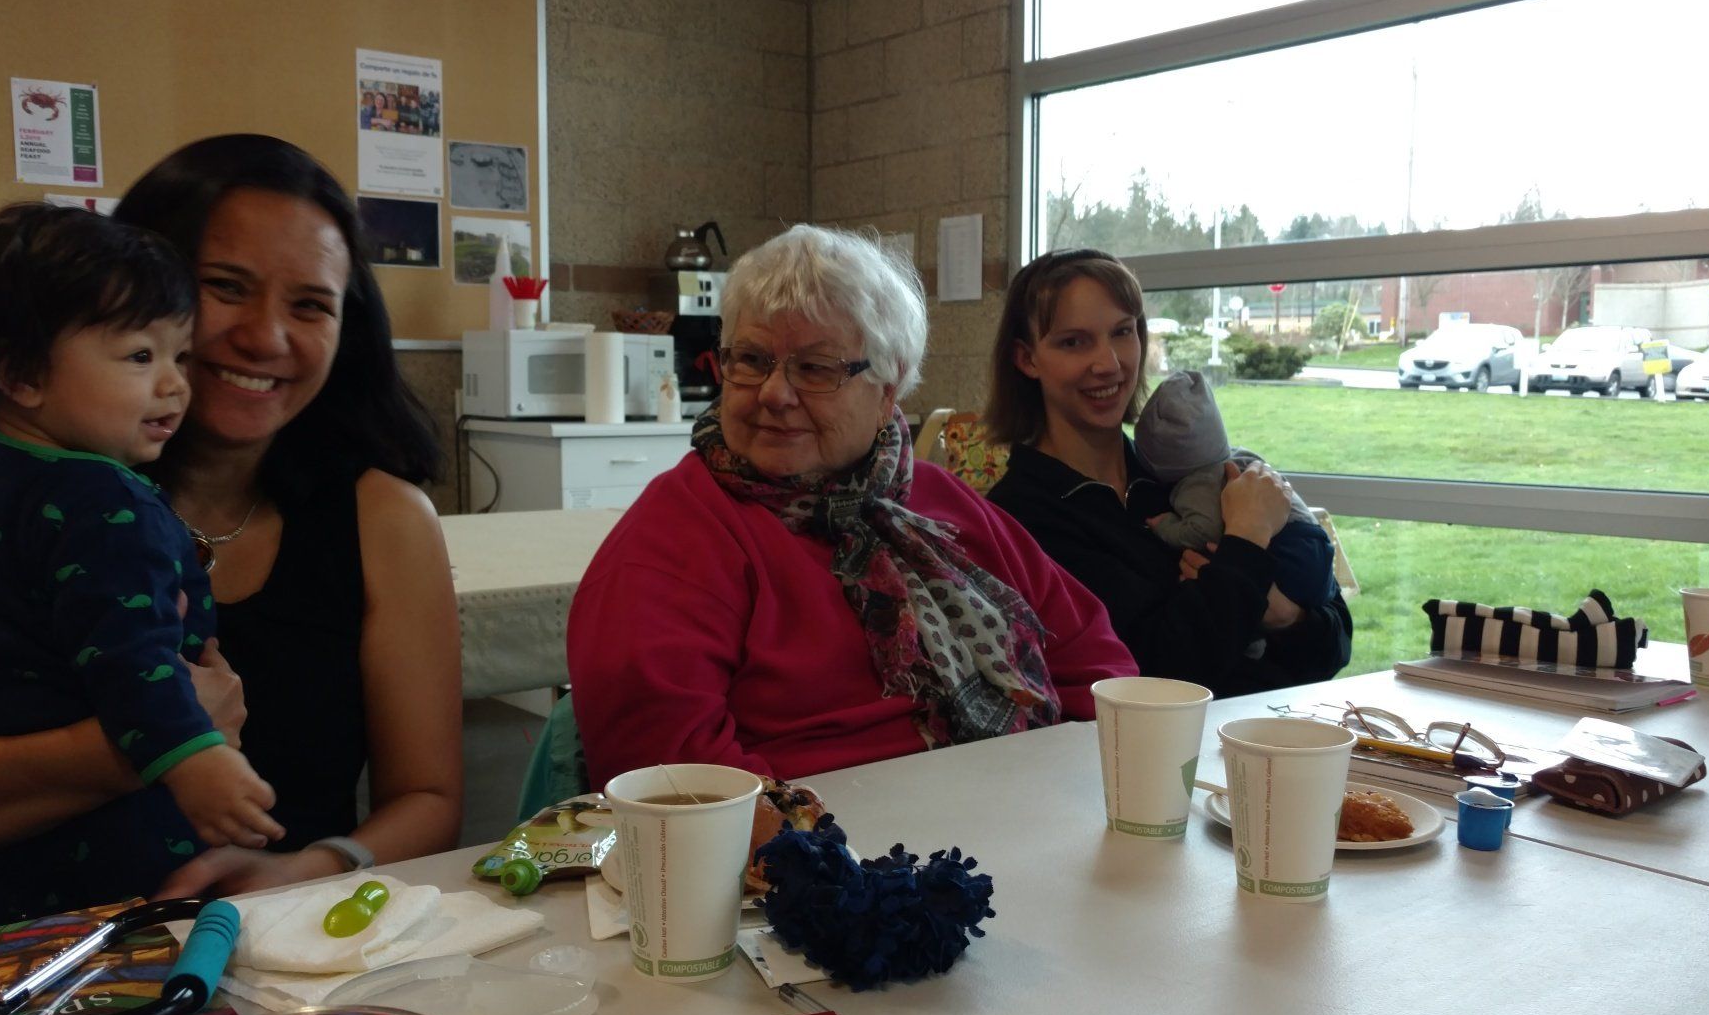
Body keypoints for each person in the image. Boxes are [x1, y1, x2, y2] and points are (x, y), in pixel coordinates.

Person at [0, 135, 463, 922]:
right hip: (17, 957)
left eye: (311, 304)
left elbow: (427, 797)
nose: (267, 336)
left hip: (285, 953)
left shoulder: (382, 517)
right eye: (225, 287)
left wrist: (313, 870)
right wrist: (154, 743)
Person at [566, 225, 1133, 787]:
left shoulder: (939, 501)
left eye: (815, 368)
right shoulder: (676, 539)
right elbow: (678, 788)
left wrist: (1065, 795)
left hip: (1018, 817)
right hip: (824, 857)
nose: (774, 393)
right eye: (752, 360)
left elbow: (1096, 663)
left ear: (889, 390)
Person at [0, 204, 281, 929]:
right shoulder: (107, 500)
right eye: (139, 358)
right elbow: (135, 656)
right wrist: (196, 757)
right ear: (21, 375)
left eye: (178, 356)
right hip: (110, 857)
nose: (176, 385)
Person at [984, 248, 1351, 698]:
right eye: (1073, 342)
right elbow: (1158, 679)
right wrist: (1248, 543)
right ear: (1027, 358)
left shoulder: (1176, 470)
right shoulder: (1017, 521)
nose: (1109, 363)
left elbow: (1334, 644)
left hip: (1261, 746)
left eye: (1122, 332)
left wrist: (1280, 612)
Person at [1133, 369, 1336, 609]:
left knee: (1249, 602)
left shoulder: (1197, 484)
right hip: (1314, 543)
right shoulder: (1237, 455)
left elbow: (1204, 530)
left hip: (1289, 549)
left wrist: (1166, 525)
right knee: (1317, 601)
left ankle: (1255, 644)